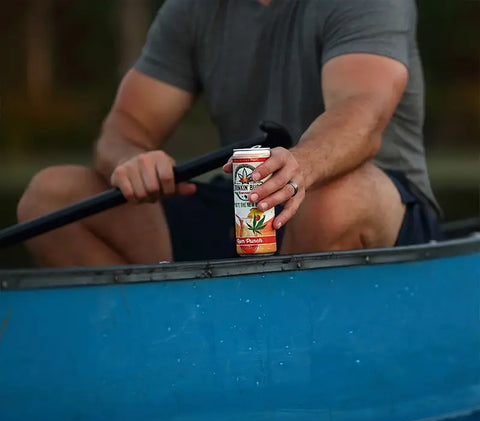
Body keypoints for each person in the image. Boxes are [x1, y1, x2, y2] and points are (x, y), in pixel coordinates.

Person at [17, 0, 442, 267]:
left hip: (379, 204)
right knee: (50, 196)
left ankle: (291, 359)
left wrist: (302, 165)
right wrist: (129, 160)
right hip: (248, 201)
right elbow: (126, 126)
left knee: (331, 200)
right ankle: (160, 346)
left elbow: (360, 112)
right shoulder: (190, 11)